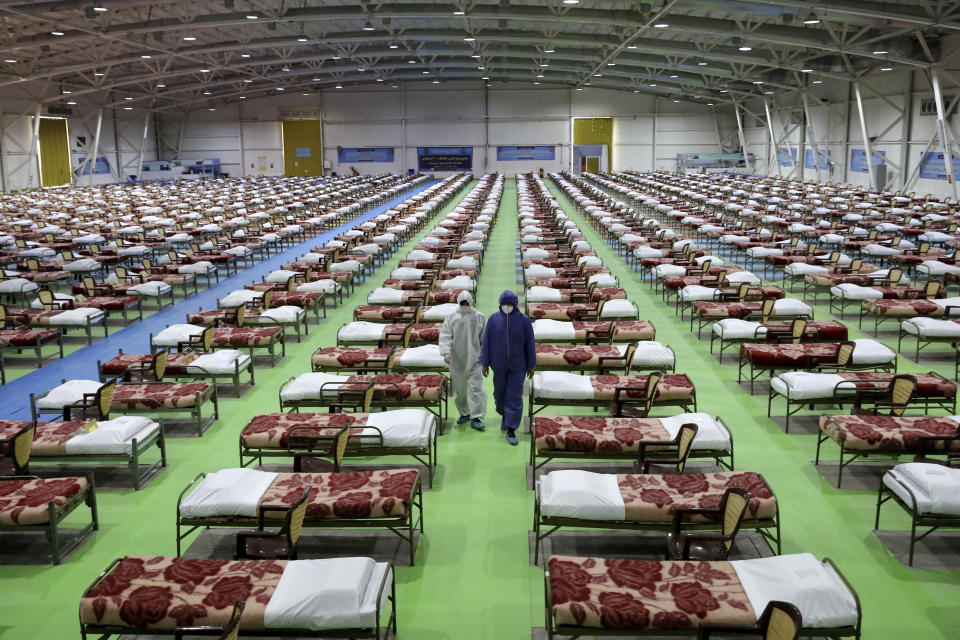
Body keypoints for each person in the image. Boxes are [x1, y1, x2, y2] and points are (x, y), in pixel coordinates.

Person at [480, 290, 536, 446]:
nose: (506, 306)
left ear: (515, 304)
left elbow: (530, 344)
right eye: (504, 304)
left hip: (518, 366)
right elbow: (487, 343)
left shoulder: (524, 321)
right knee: (499, 394)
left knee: (514, 396)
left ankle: (511, 428)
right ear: (500, 304)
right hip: (498, 365)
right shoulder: (493, 320)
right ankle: (505, 414)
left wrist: (531, 365)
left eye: (509, 304)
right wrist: (485, 363)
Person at [438, 290, 486, 430]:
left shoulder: (479, 317)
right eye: (462, 303)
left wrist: (484, 357)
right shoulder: (451, 317)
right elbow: (445, 336)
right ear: (458, 303)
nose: (464, 305)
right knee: (460, 390)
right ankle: (464, 413)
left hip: (475, 360)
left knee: (476, 389)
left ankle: (476, 417)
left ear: (471, 303)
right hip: (456, 360)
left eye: (467, 303)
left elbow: (484, 339)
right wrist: (446, 353)